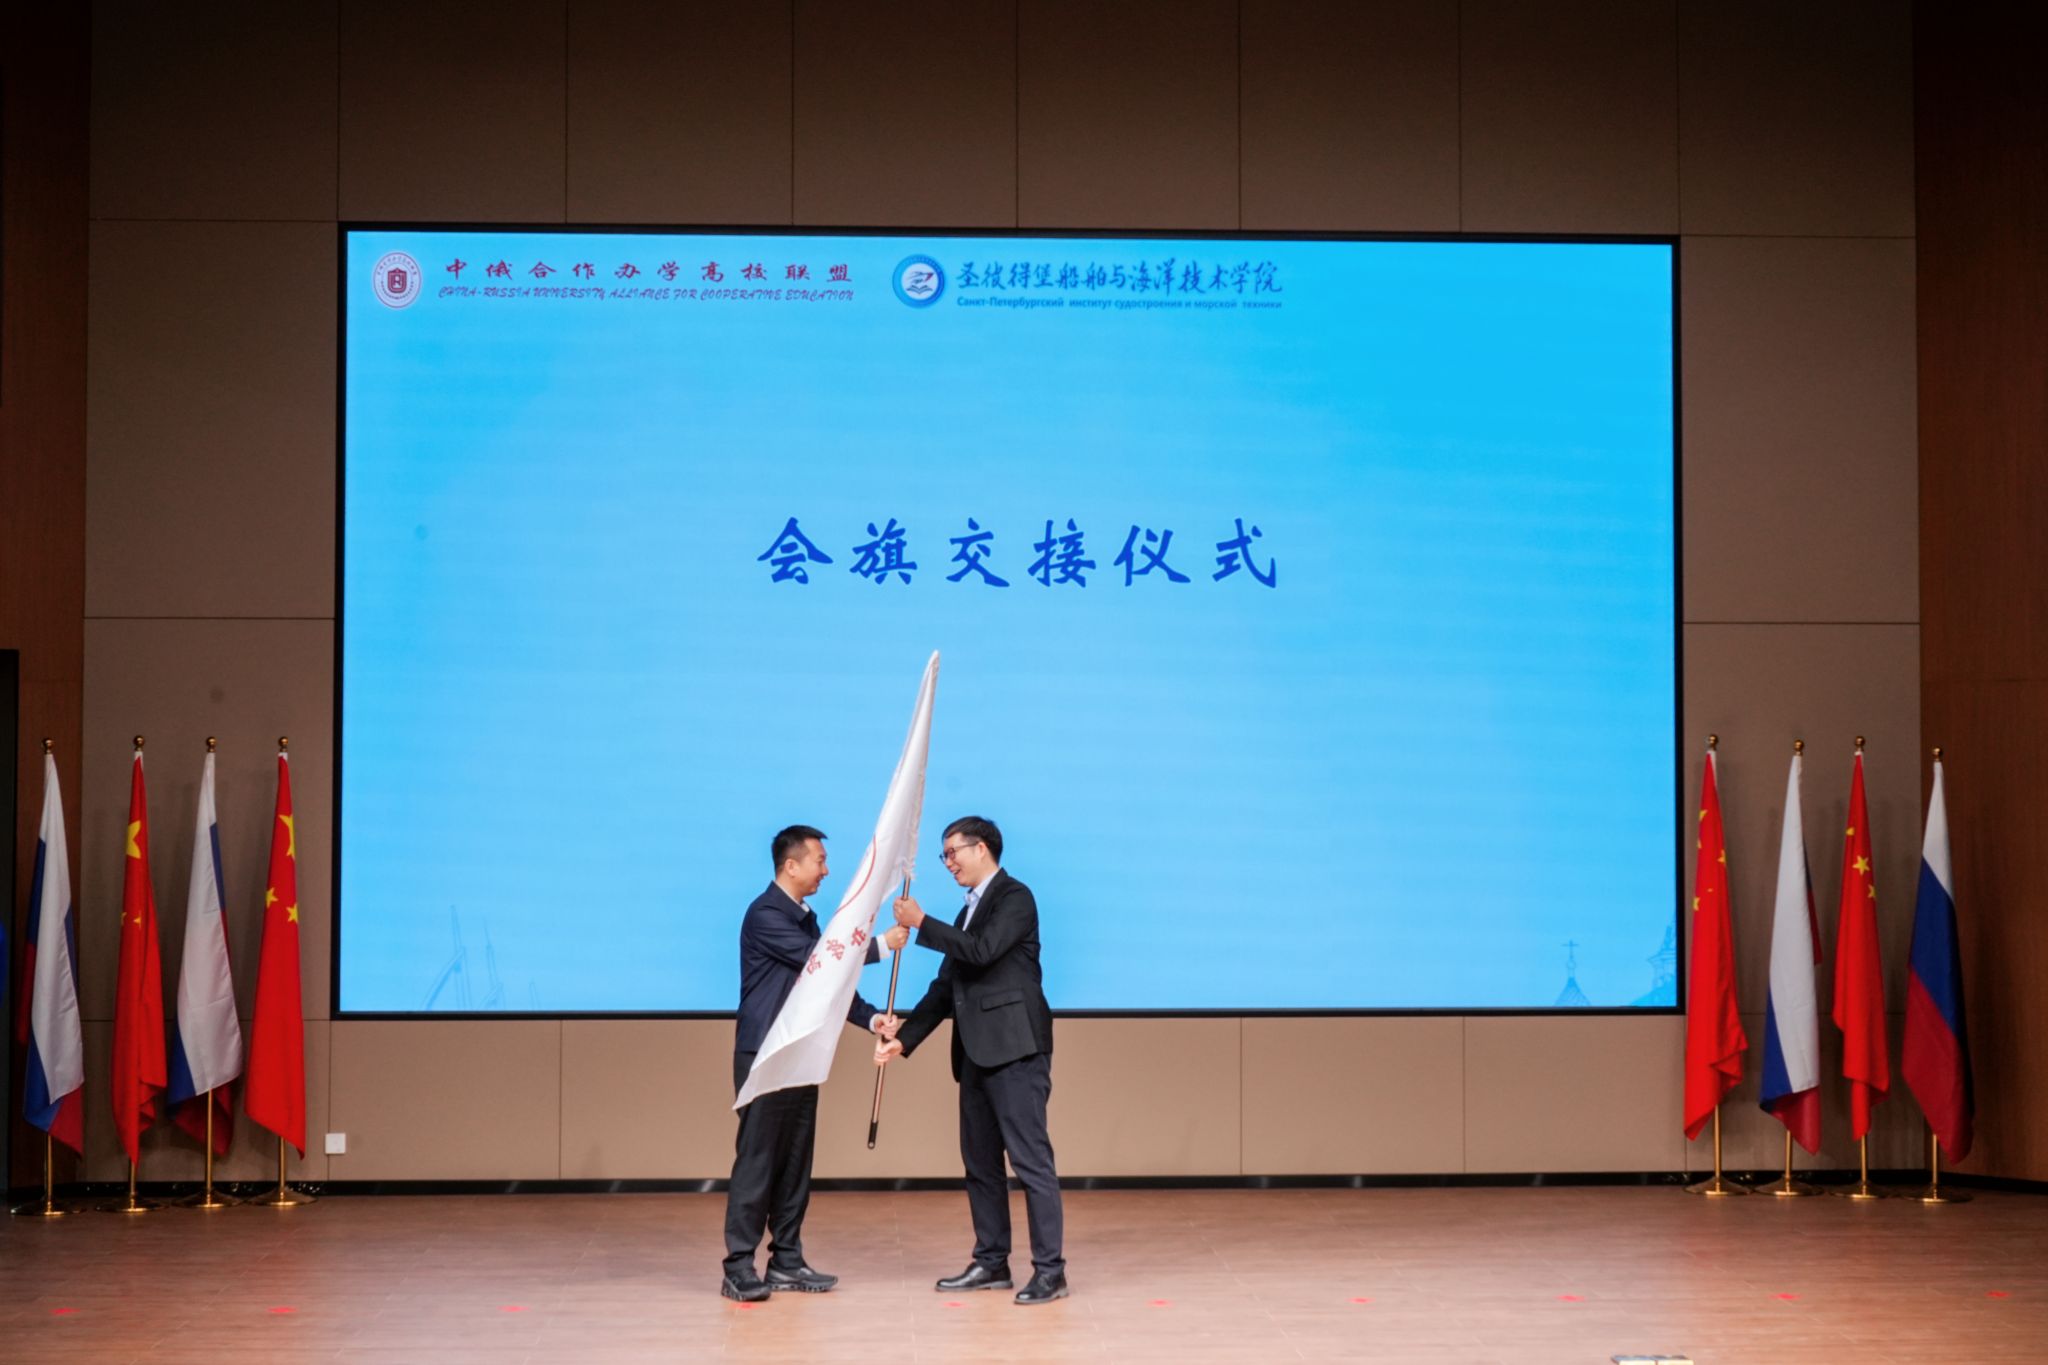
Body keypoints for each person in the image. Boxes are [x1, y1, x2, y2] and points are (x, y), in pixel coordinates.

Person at [875, 815, 1066, 1304]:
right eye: (944, 855)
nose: (948, 863)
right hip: (976, 1055)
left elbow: (982, 952)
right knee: (980, 1164)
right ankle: (991, 1262)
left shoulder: (1015, 897)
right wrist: (905, 1039)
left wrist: (921, 923)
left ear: (982, 848)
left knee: (1030, 1162)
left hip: (1016, 1050)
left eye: (953, 852)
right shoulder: (964, 914)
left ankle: (1050, 1272)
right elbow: (945, 988)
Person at [722, 824, 907, 1302]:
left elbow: (828, 986)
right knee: (759, 1161)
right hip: (767, 1055)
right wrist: (881, 944)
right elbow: (818, 961)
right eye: (819, 860)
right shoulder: (765, 914)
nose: (826, 870)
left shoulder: (804, 917)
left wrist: (871, 1019)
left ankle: (786, 1260)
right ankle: (738, 1266)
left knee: (794, 1162)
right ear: (791, 865)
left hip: (800, 1056)